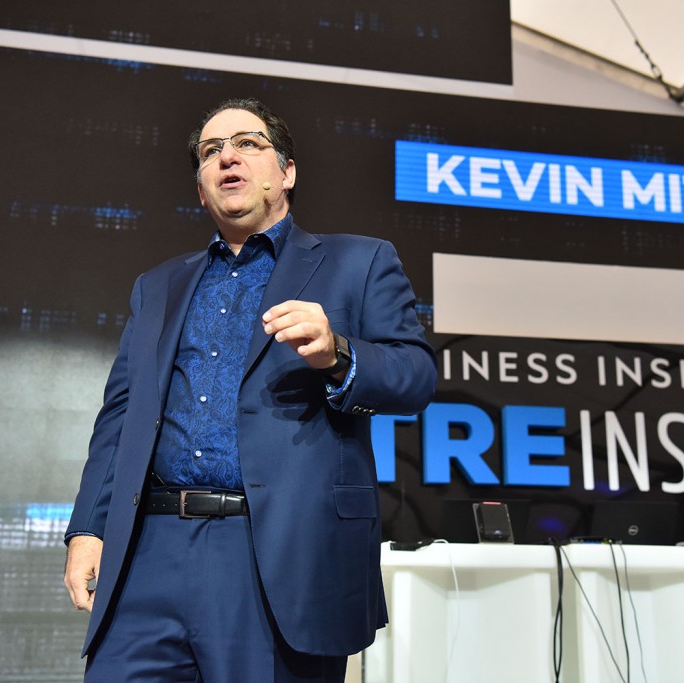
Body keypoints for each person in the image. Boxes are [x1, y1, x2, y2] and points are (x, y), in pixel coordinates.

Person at [63, 97, 436, 682]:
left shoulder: (359, 262)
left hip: (278, 554)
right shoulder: (157, 286)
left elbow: (415, 376)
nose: (227, 157)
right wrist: (88, 528)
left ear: (286, 172)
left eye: (247, 143)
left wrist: (337, 353)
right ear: (201, 189)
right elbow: (121, 416)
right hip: (149, 554)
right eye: (211, 151)